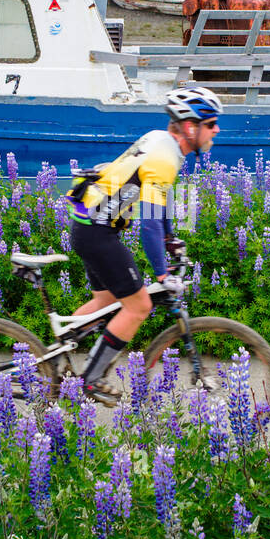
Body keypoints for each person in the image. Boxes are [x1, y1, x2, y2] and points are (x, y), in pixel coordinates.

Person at [66, 86, 222, 403]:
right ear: (191, 127)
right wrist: (162, 274)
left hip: (90, 225)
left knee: (105, 302)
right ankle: (90, 381)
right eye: (210, 123)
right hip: (98, 232)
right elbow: (148, 222)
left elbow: (156, 203)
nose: (216, 129)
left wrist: (169, 239)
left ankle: (55, 356)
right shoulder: (167, 158)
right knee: (139, 305)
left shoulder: (158, 140)